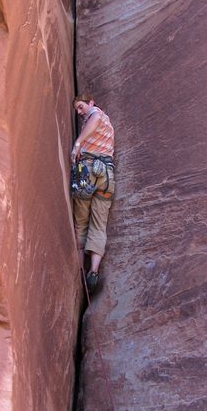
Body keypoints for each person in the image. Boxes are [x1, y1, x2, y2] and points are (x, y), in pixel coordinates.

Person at [71, 94, 115, 291]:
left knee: (81, 223)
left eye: (80, 107)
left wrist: (78, 143)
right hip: (106, 175)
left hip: (87, 171)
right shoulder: (107, 124)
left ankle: (81, 270)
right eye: (77, 111)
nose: (80, 113)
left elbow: (94, 118)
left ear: (91, 102)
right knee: (99, 223)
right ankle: (94, 271)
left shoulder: (95, 114)